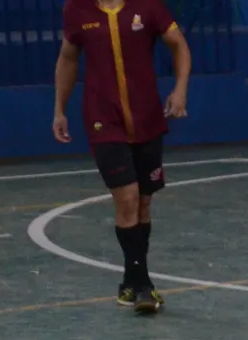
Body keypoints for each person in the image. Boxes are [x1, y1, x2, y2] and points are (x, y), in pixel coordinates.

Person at [53, 0, 192, 315]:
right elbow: (68, 57)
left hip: (147, 118)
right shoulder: (77, 9)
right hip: (103, 119)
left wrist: (180, 89)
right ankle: (143, 286)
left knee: (143, 202)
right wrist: (59, 109)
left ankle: (130, 281)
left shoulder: (149, 6)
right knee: (127, 198)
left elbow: (179, 45)